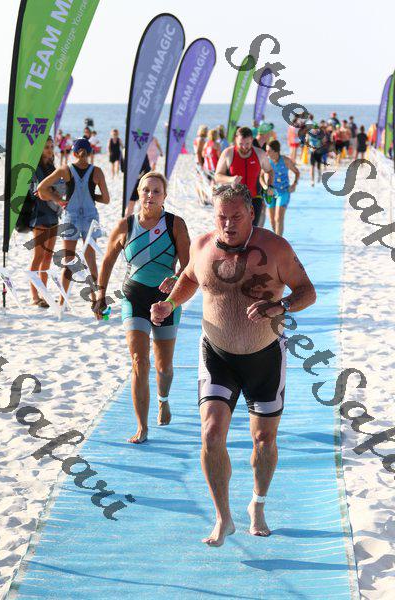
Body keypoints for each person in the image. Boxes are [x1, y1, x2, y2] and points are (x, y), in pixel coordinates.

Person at [150, 183, 316, 546]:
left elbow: (307, 291)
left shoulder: (276, 248)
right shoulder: (202, 246)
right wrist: (169, 304)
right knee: (211, 434)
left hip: (265, 357)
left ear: (251, 213)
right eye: (221, 217)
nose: (227, 224)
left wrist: (281, 306)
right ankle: (223, 516)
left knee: (263, 440)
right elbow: (190, 278)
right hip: (217, 355)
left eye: (236, 217)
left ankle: (258, 503)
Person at [93, 172, 191, 443]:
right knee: (139, 361)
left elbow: (189, 265)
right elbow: (108, 261)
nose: (150, 195)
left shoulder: (175, 224)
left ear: (164, 196)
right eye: (146, 190)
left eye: (156, 191)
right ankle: (142, 427)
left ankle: (163, 399)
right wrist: (100, 294)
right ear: (138, 192)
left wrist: (175, 278)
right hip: (133, 297)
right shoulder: (126, 225)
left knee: (164, 367)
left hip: (167, 301)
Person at [38, 137, 110, 307]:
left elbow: (41, 188)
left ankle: (63, 301)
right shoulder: (97, 171)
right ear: (90, 152)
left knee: (69, 261)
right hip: (90, 218)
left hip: (71, 216)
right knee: (91, 261)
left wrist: (58, 199)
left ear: (74, 153)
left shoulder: (65, 169)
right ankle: (95, 299)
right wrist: (92, 196)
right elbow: (106, 199)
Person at [29, 136, 64, 307]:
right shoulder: (35, 168)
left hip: (53, 215)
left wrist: (53, 194)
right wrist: (54, 194)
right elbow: (39, 192)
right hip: (40, 215)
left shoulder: (52, 167)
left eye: (51, 146)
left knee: (48, 257)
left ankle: (44, 293)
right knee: (38, 256)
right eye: (46, 147)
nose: (50, 150)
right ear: (40, 150)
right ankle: (34, 296)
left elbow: (56, 190)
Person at [214, 126, 274, 227]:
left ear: (252, 140)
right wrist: (231, 179)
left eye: (247, 144)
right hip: (233, 199)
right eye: (240, 144)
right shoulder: (228, 153)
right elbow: (217, 176)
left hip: (254, 199)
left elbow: (269, 171)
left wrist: (269, 185)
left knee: (252, 229)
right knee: (235, 229)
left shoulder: (260, 154)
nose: (244, 147)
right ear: (235, 140)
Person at [262, 140, 299, 235]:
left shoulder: (286, 161)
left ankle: (279, 240)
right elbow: (260, 177)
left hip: (284, 191)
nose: (266, 153)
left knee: (278, 218)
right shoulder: (266, 161)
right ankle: (277, 239)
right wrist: (265, 187)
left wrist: (294, 184)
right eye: (266, 150)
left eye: (269, 151)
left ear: (276, 151)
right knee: (272, 220)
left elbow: (297, 172)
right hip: (270, 193)